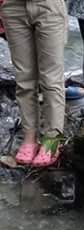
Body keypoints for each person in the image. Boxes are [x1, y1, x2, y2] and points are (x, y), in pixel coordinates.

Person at [0, 0, 67, 167]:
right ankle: (29, 138)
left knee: (51, 79)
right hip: (13, 7)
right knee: (24, 79)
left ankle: (52, 140)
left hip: (48, 6)